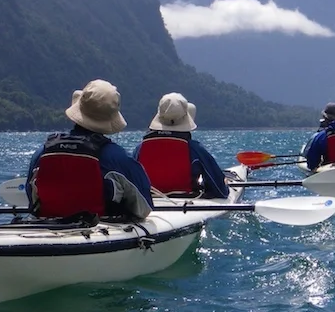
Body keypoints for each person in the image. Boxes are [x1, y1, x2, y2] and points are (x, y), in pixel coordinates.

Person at [25, 79, 152, 219]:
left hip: (46, 228)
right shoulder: (118, 159)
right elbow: (144, 207)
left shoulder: (43, 153)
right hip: (102, 230)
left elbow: (32, 198)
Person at [133, 92, 230, 199]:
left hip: (149, 200)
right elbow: (220, 191)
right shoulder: (194, 148)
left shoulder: (140, 148)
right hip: (186, 200)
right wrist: (224, 186)